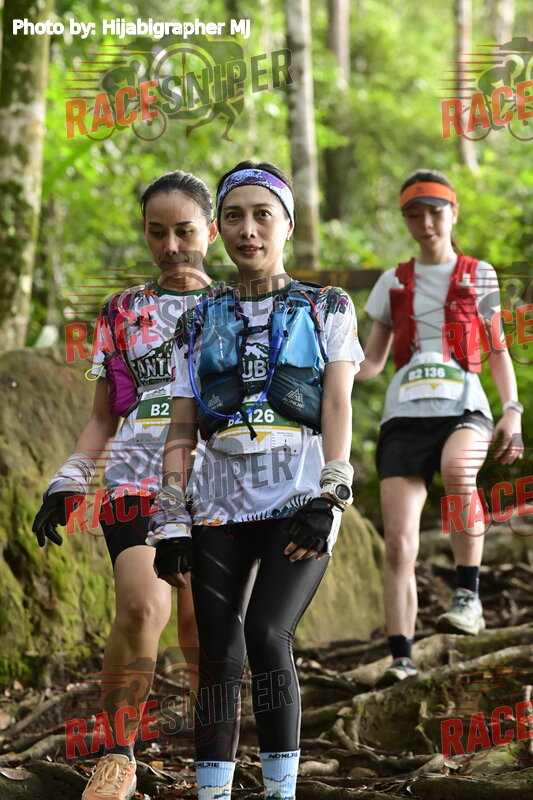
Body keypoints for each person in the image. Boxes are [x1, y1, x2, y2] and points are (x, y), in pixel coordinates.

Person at [147, 161, 363, 800]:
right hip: (218, 507)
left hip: (301, 501)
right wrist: (171, 518)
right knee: (217, 650)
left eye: (262, 215)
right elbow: (181, 426)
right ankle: (213, 793)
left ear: (287, 224)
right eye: (234, 217)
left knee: (269, 634)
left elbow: (337, 403)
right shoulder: (195, 320)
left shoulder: (326, 305)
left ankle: (280, 791)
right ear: (219, 228)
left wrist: (333, 493)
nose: (248, 230)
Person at [32, 170, 217, 800]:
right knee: (142, 607)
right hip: (136, 481)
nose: (171, 246)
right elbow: (103, 416)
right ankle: (118, 754)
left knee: (201, 624)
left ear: (211, 232)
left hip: (218, 485)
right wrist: (69, 481)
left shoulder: (235, 309)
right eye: (157, 232)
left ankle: (214, 762)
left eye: (184, 231)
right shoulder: (122, 311)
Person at [356, 169, 523, 686]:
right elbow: (371, 362)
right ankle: (401, 657)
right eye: (414, 214)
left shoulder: (480, 274)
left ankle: (468, 596)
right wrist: (323, 370)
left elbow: (497, 349)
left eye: (435, 211)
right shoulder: (393, 281)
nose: (425, 223)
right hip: (404, 415)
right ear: (405, 219)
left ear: (453, 213)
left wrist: (512, 409)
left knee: (457, 470)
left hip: (464, 407)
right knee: (399, 543)